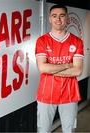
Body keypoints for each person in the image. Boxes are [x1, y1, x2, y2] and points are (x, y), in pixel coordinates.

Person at [35, 4, 84, 133]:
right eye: (54, 16)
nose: (58, 19)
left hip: (70, 94)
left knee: (69, 130)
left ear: (67, 18)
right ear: (50, 19)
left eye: (62, 16)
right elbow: (42, 68)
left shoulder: (77, 41)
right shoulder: (42, 41)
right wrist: (66, 65)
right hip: (46, 94)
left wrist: (52, 69)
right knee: (43, 130)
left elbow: (77, 70)